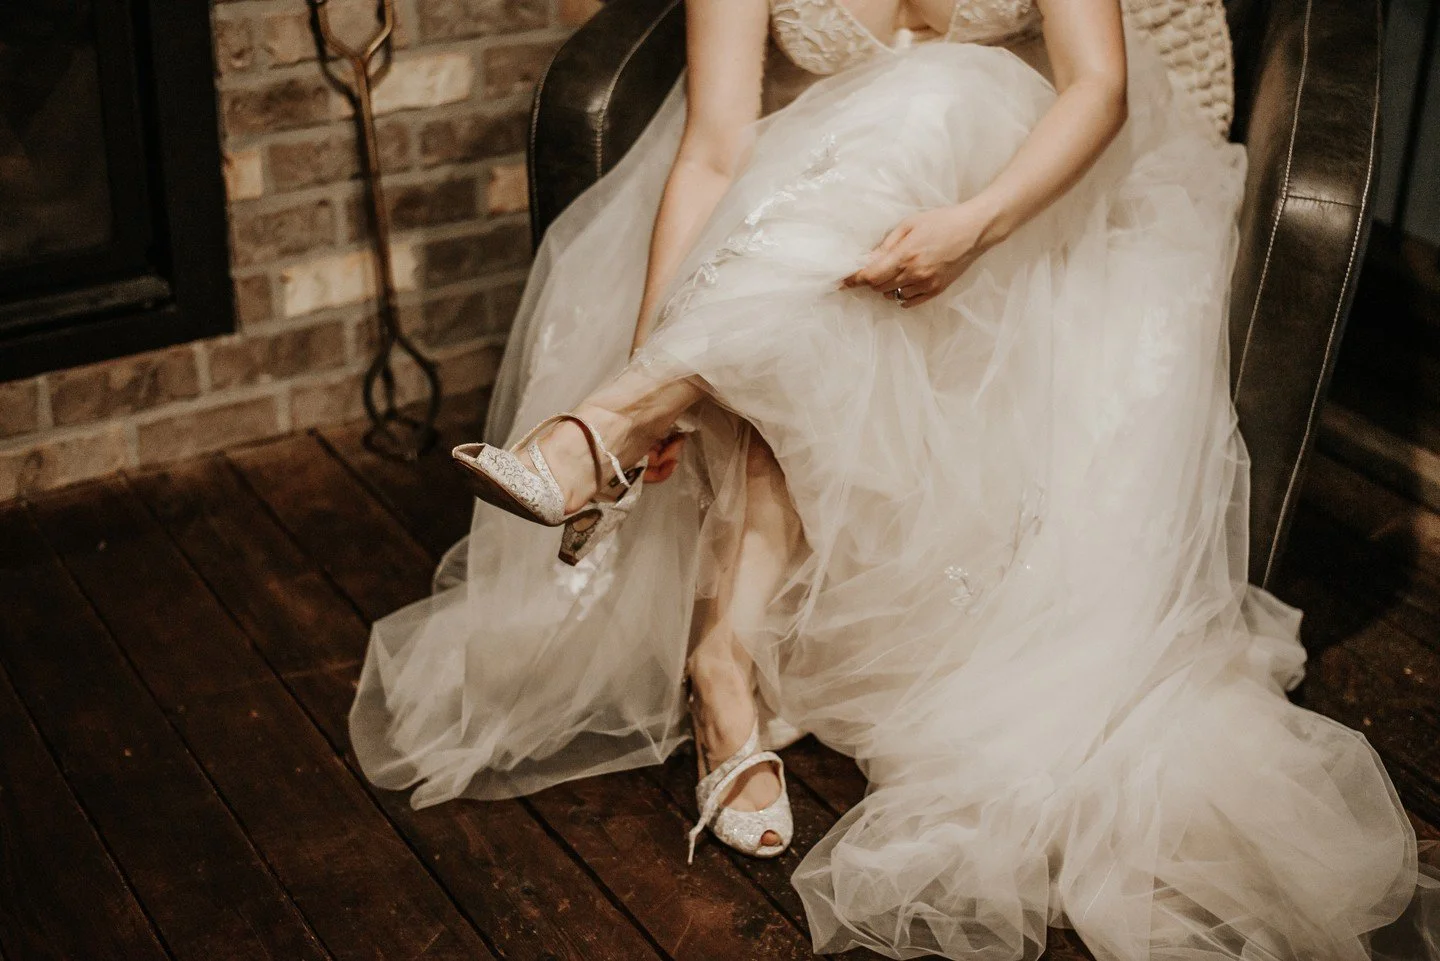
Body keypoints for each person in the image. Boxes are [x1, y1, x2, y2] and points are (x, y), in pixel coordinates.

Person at [350, 0, 1440, 957]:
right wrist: (663, 351)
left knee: (941, 94)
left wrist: (971, 229)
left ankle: (606, 442)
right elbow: (715, 149)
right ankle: (714, 639)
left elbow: (1097, 89)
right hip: (833, 216)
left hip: (1027, 195)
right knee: (812, 287)